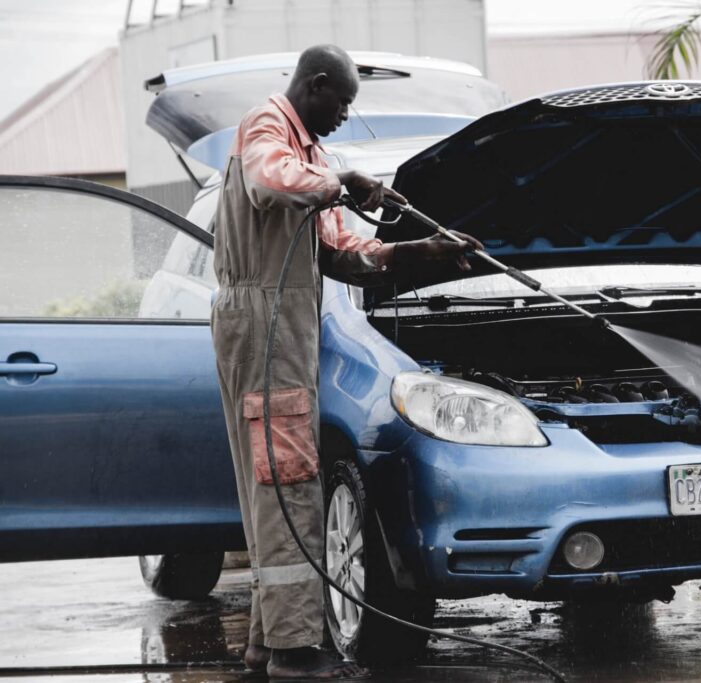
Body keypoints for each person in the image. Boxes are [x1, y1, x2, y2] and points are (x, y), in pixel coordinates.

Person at [210, 44, 482, 680]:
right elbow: (267, 179)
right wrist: (346, 182)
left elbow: (339, 250)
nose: (345, 115)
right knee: (287, 480)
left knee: (279, 480)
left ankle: (265, 642)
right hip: (264, 320)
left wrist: (417, 250)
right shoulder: (269, 126)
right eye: (345, 102)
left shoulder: (312, 153)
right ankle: (295, 653)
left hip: (288, 322)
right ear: (318, 84)